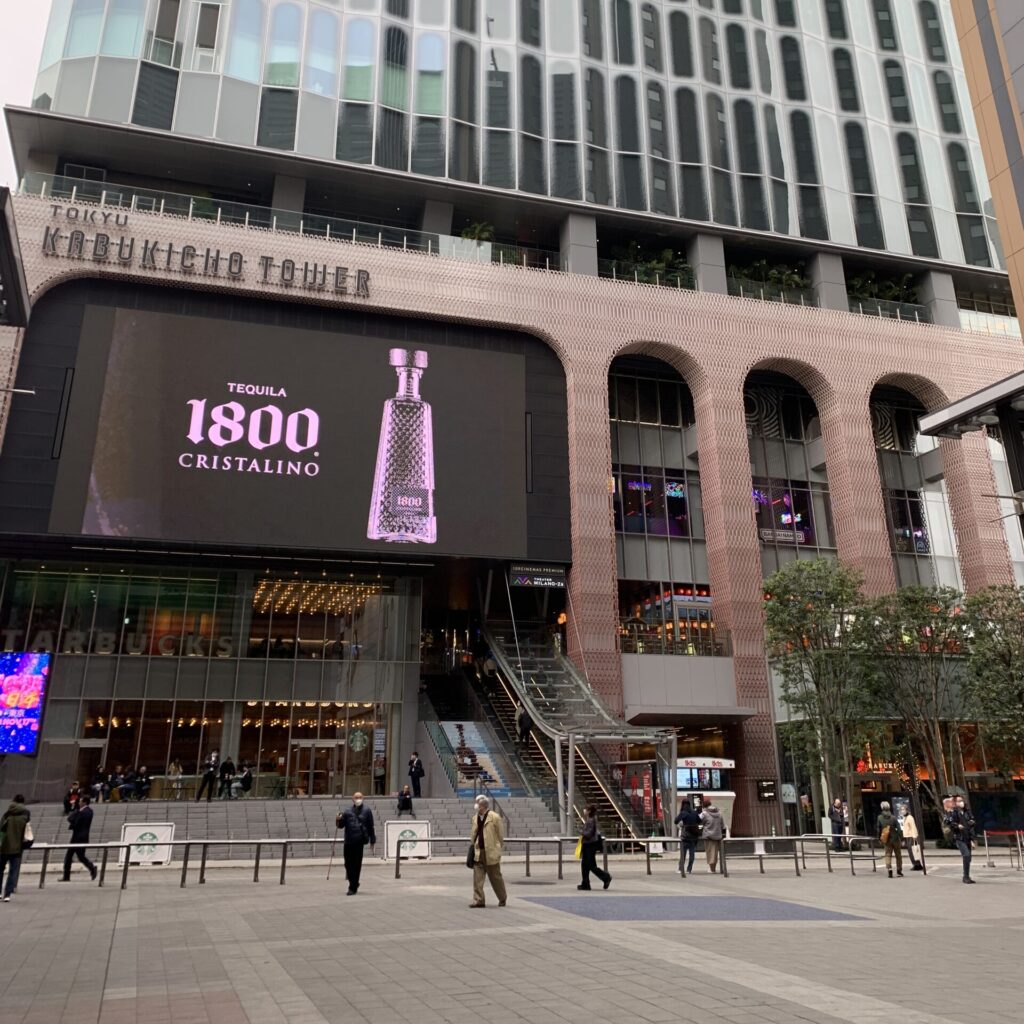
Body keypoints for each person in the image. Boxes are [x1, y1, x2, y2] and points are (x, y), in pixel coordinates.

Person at [469, 795, 507, 908]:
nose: (476, 806)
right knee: (477, 878)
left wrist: (498, 849)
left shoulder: (494, 817)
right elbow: (474, 834)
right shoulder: (475, 818)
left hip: (491, 852)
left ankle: (502, 898)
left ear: (483, 806)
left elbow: (500, 835)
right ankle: (479, 900)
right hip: (478, 852)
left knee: (495, 877)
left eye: (478, 804)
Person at [336, 792, 375, 895]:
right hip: (348, 841)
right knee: (347, 863)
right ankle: (354, 882)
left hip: (359, 841)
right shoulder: (347, 811)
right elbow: (341, 826)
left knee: (356, 864)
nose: (358, 799)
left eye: (360, 797)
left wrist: (372, 840)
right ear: (352, 799)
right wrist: (338, 820)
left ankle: (352, 887)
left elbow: (370, 826)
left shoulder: (367, 810)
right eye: (356, 797)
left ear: (363, 798)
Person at [0, 794, 31, 902]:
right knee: (13, 872)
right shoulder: (26, 814)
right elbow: (27, 830)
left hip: (4, 846)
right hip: (17, 847)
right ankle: (7, 894)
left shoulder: (7, 813)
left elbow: (1, 829)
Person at [61, 795, 97, 882]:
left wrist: (76, 811)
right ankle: (91, 868)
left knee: (72, 856)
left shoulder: (86, 812)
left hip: (79, 837)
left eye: (80, 801)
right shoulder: (85, 811)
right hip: (78, 836)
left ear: (84, 802)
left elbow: (72, 819)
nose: (79, 802)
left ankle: (91, 868)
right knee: (77, 856)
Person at [577, 804, 612, 891]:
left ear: (589, 811)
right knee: (585, 865)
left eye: (585, 809)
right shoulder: (590, 820)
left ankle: (606, 877)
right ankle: (585, 883)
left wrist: (581, 831)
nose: (584, 810)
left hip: (590, 845)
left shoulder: (591, 821)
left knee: (591, 865)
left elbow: (589, 834)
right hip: (587, 845)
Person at [944, 795, 976, 884]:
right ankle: (965, 877)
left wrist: (971, 823)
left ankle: (967, 875)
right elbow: (948, 821)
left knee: (968, 857)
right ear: (955, 803)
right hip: (959, 837)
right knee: (966, 855)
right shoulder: (953, 812)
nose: (961, 802)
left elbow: (972, 820)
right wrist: (957, 826)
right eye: (958, 801)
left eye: (961, 800)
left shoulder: (966, 811)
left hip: (967, 836)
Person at [674, 799, 702, 877]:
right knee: (692, 853)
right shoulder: (694, 812)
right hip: (694, 836)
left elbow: (675, 821)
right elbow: (699, 821)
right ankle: (689, 869)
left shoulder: (683, 813)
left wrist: (683, 823)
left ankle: (680, 869)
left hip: (685, 836)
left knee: (683, 854)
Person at [876, 801, 903, 878]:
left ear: (882, 808)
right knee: (898, 855)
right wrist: (900, 837)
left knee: (888, 854)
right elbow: (899, 829)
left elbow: (878, 829)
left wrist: (879, 839)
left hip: (886, 839)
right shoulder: (893, 817)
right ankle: (899, 870)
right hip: (895, 839)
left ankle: (889, 869)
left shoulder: (879, 818)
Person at [699, 799, 725, 874]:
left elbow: (699, 821)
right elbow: (722, 825)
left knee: (710, 852)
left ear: (704, 806)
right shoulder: (719, 813)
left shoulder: (704, 813)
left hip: (708, 835)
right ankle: (713, 868)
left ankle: (712, 869)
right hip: (717, 835)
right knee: (715, 852)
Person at [901, 805, 924, 871]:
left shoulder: (910, 817)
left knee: (912, 851)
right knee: (911, 851)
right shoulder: (905, 818)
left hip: (911, 836)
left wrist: (914, 836)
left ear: (907, 810)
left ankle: (917, 865)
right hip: (907, 836)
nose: (902, 811)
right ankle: (916, 864)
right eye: (901, 809)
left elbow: (913, 827)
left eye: (903, 809)